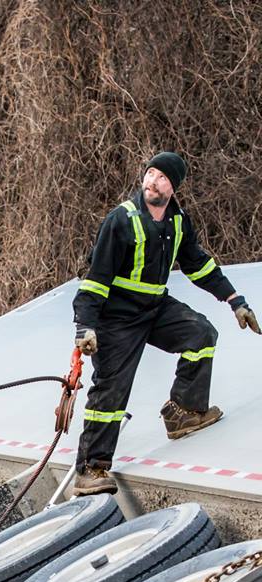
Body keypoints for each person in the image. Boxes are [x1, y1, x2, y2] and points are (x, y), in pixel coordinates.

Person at [71, 151, 260, 496]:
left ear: (173, 187)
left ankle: (183, 412)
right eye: (149, 174)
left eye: (161, 177)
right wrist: (86, 326)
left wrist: (236, 301)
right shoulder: (121, 220)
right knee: (111, 390)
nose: (151, 181)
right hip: (116, 317)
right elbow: (95, 281)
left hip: (154, 307)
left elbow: (198, 265)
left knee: (201, 334)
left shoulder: (177, 221)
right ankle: (90, 470)